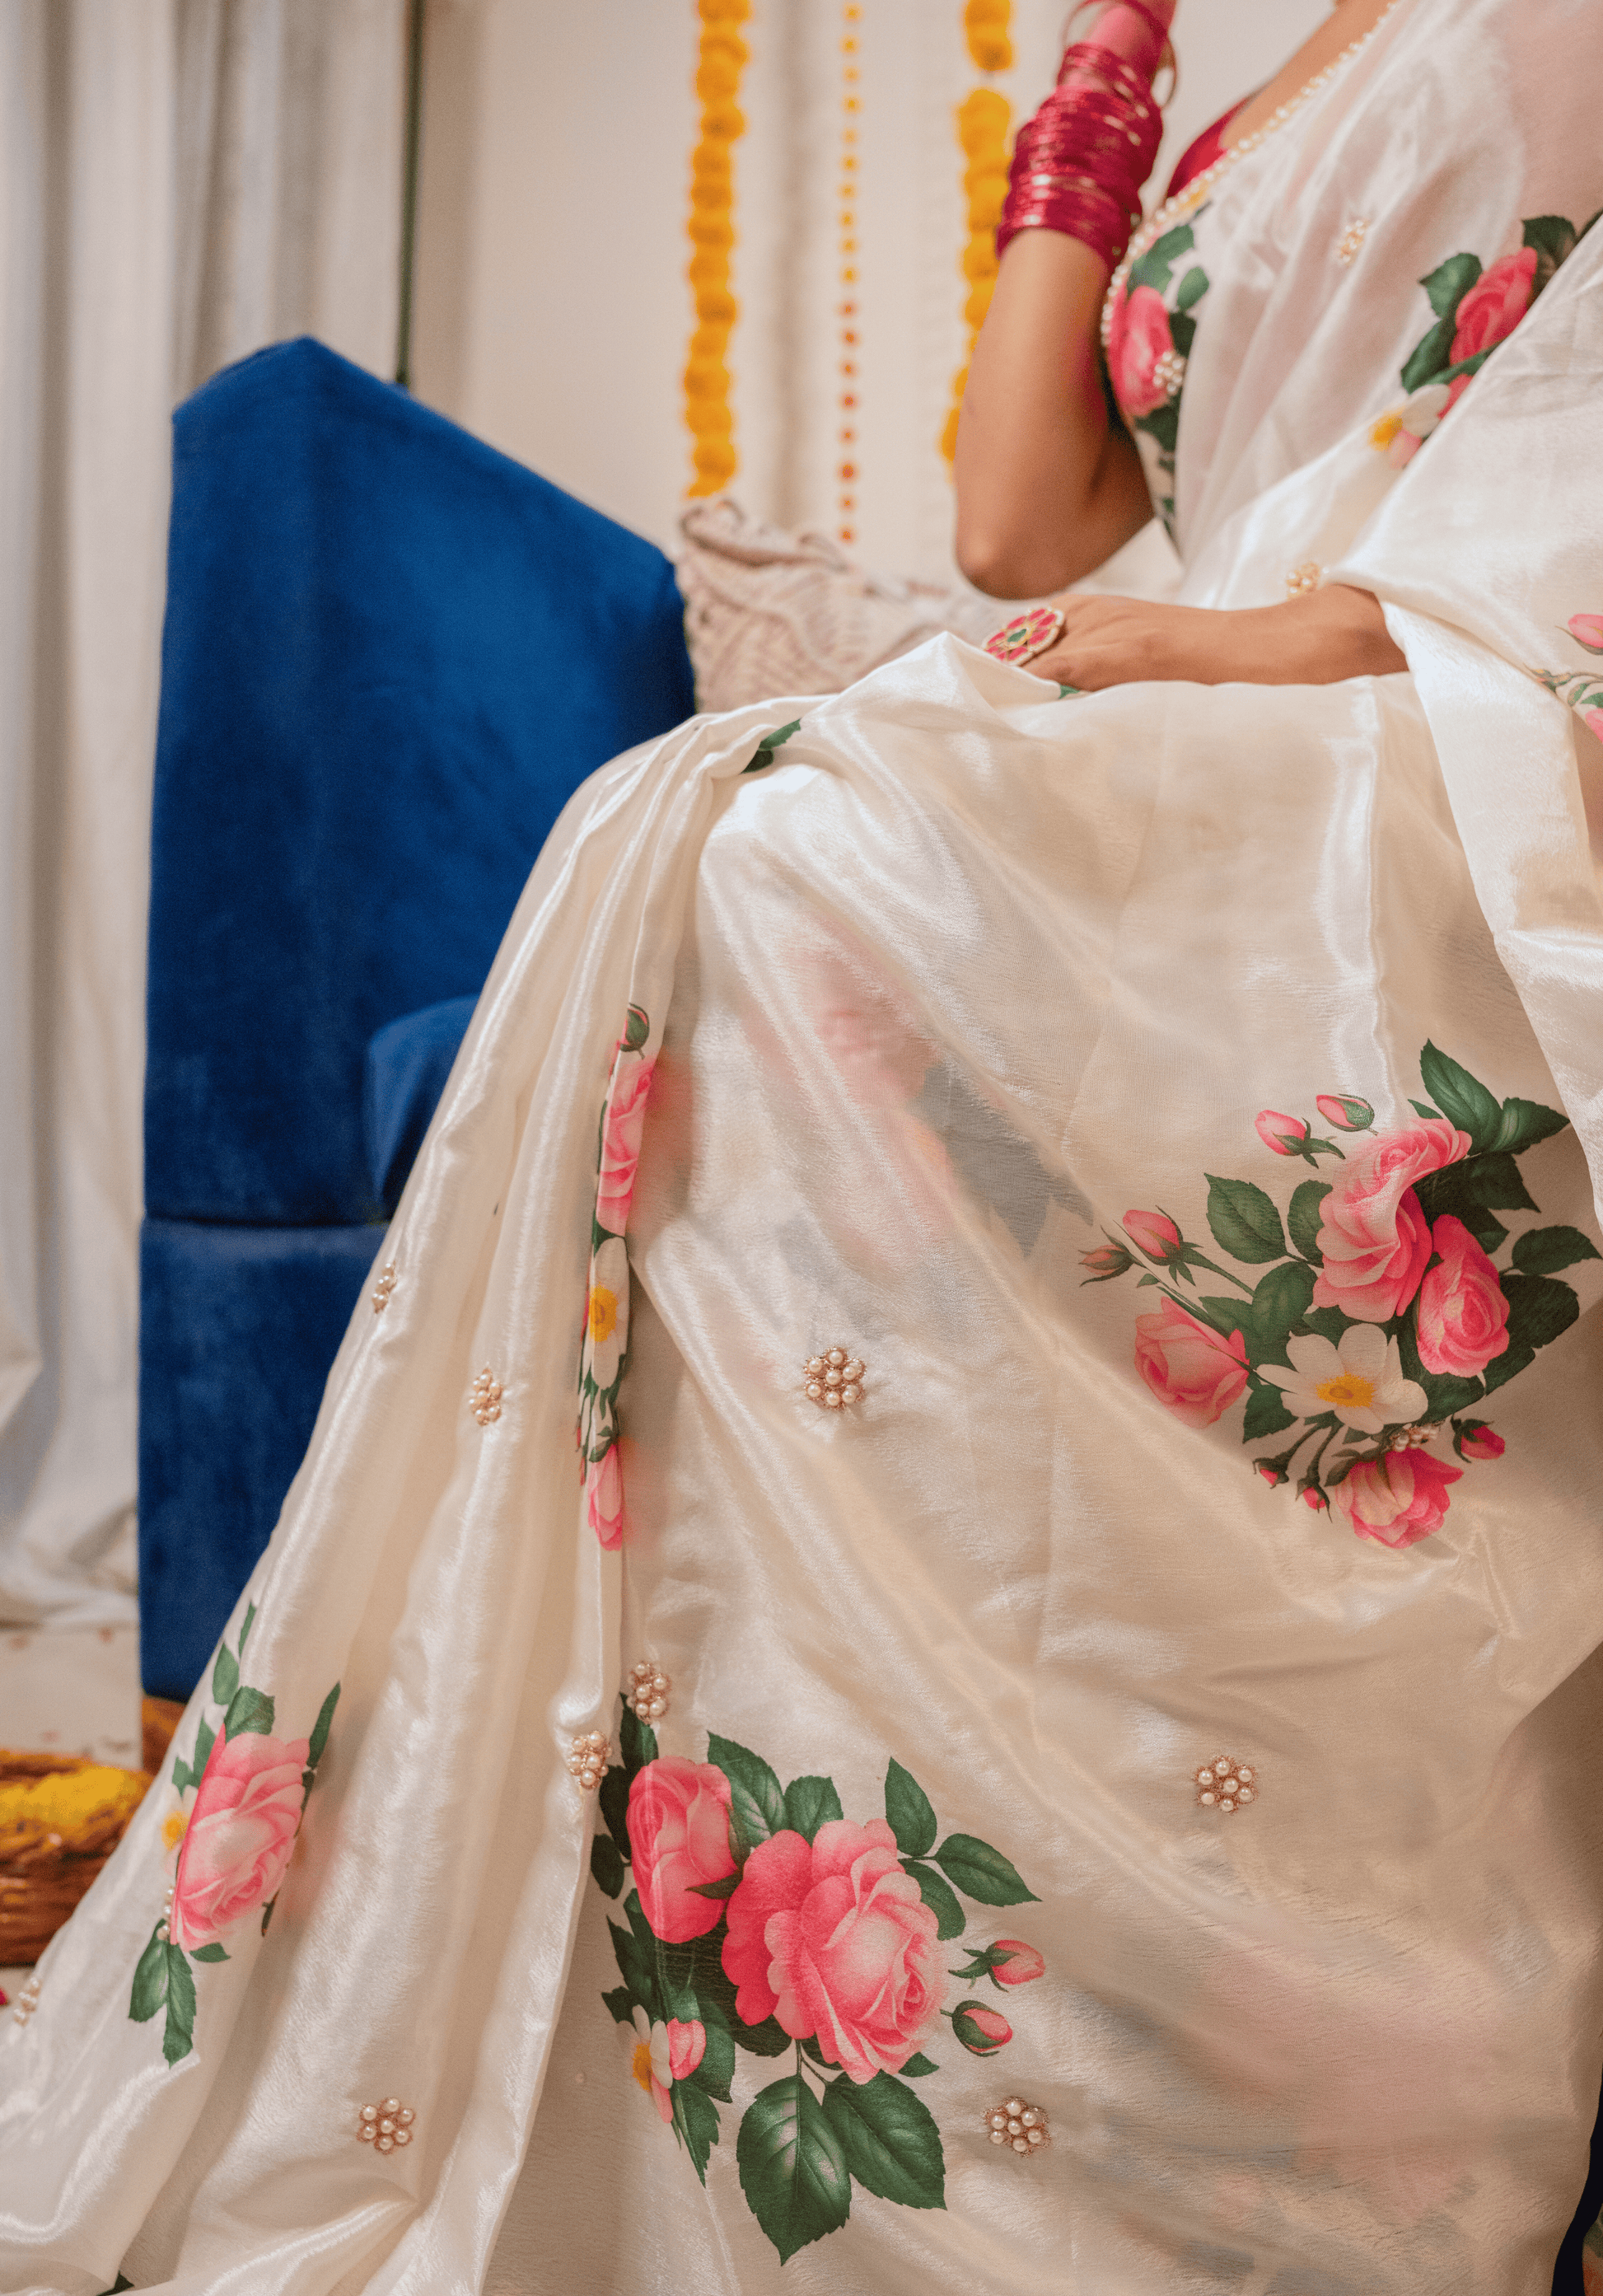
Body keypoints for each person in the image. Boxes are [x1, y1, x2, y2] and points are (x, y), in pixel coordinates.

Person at [3, 1, 1603, 2289]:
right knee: (725, 819)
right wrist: (1107, 77)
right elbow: (1017, 516)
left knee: (796, 845)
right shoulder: (1264, 87)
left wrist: (1285, 650)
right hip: (1192, 687)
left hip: (1414, 725)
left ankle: (1161, 2122)